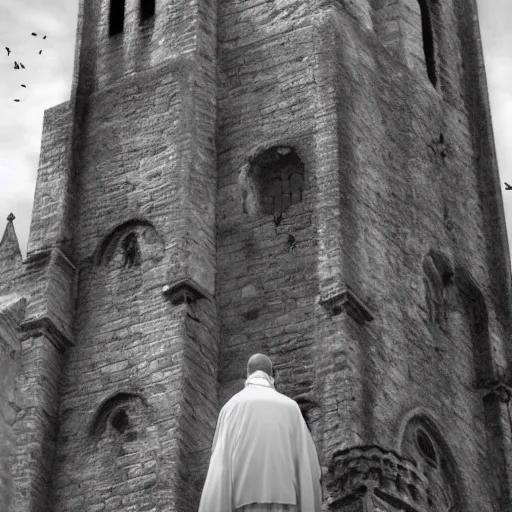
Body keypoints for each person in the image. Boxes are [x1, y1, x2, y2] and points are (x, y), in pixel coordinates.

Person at [198, 353, 322, 512]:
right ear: (271, 376)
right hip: (286, 503)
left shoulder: (231, 407)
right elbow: (307, 462)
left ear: (247, 375)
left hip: (242, 502)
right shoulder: (290, 407)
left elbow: (220, 462)